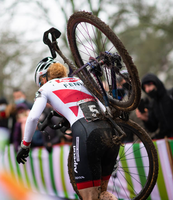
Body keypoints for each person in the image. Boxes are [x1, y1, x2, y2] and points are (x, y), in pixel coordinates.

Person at [16, 57, 120, 200]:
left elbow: (33, 118)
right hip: (109, 131)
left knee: (89, 197)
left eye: (40, 81)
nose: (40, 84)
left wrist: (25, 145)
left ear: (44, 77)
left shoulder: (46, 87)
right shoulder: (79, 80)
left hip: (86, 134)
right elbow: (103, 109)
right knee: (103, 193)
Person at [136, 73, 173, 139]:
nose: (147, 90)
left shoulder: (170, 95)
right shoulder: (152, 104)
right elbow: (153, 128)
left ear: (157, 83)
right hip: (167, 141)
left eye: (149, 85)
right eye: (144, 88)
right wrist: (146, 119)